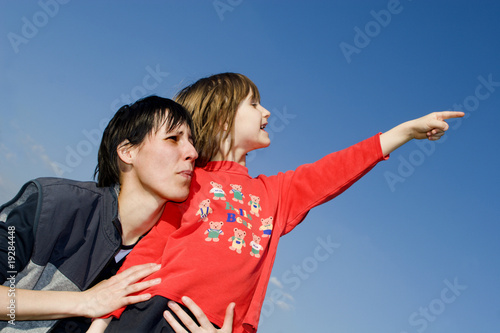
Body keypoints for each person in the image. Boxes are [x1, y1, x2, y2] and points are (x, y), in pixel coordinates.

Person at [98, 73, 464, 333]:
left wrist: (402, 132)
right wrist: (102, 320)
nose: (267, 112)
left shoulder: (276, 193)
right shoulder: (187, 181)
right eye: (254, 103)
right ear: (224, 118)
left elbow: (334, 170)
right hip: (152, 312)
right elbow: (149, 253)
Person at [0, 96, 232, 332]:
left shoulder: (174, 257)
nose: (192, 152)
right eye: (173, 138)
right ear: (127, 152)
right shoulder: (53, 204)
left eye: (191, 142)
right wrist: (86, 302)